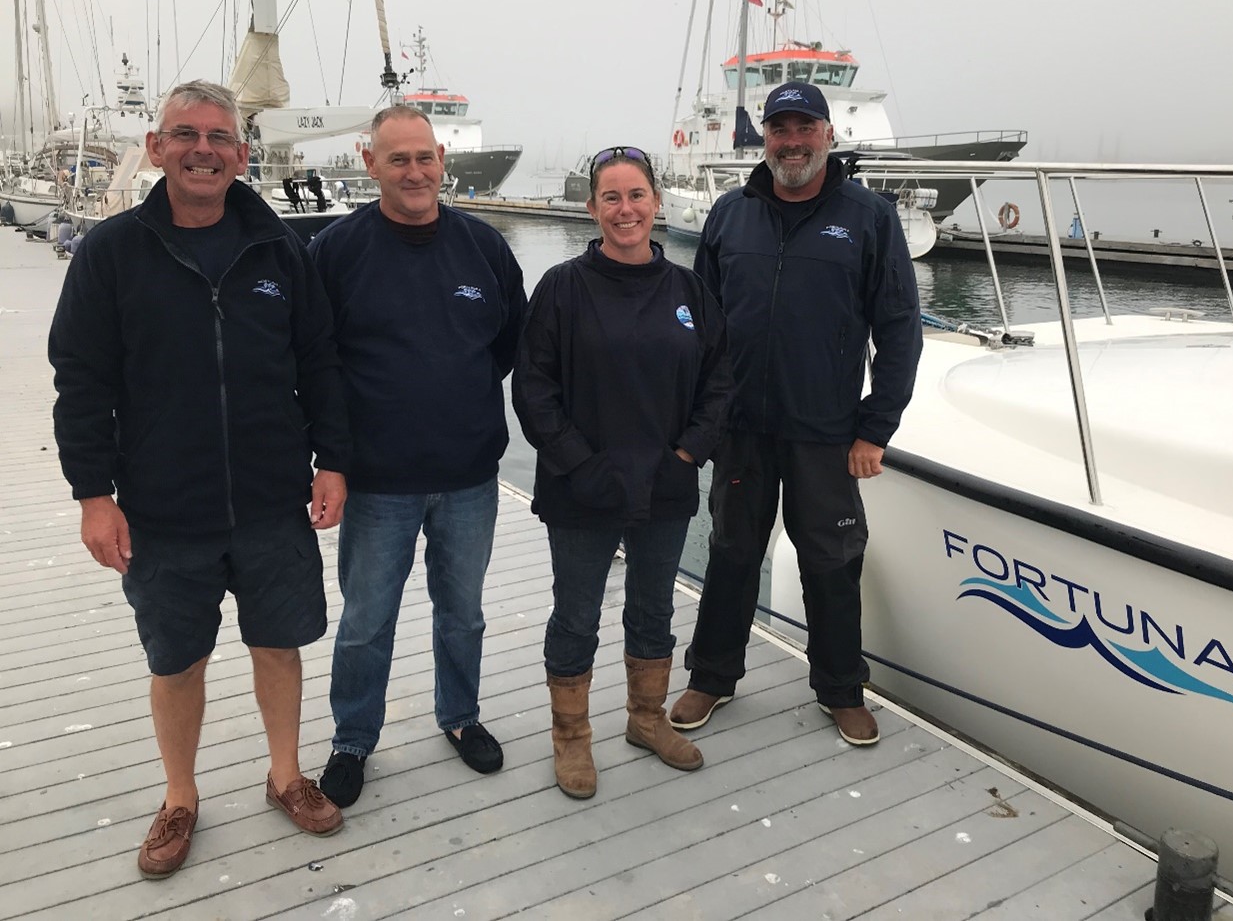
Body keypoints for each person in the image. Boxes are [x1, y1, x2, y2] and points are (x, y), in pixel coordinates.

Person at [48, 79, 352, 879]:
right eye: (184, 134)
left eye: (218, 137)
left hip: (270, 499)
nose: (202, 150)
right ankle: (179, 797)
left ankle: (285, 775)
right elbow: (80, 380)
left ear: (242, 156)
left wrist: (334, 461)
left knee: (277, 643)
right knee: (175, 660)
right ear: (156, 148)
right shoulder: (112, 252)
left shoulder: (281, 250)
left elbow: (318, 362)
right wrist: (93, 495)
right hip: (162, 506)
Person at [670, 82, 923, 746]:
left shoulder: (868, 218)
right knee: (730, 554)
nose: (791, 142)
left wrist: (876, 426)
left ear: (826, 135)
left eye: (803, 128)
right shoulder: (728, 214)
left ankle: (841, 688)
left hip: (826, 432)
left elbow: (900, 330)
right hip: (740, 429)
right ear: (766, 138)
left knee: (831, 564)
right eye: (779, 129)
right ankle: (711, 677)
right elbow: (700, 324)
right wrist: (700, 417)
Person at [307, 105, 526, 807]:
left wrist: (449, 394)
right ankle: (352, 737)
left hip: (467, 476)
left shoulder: (483, 248)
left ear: (441, 162)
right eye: (397, 159)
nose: (414, 172)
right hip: (376, 480)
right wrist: (330, 459)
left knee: (462, 613)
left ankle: (459, 717)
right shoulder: (337, 251)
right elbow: (316, 363)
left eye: (424, 157)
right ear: (369, 163)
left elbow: (508, 344)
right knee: (367, 620)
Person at [512, 146, 733, 798]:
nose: (625, 208)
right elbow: (533, 386)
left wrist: (690, 451)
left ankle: (645, 719)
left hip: (665, 482)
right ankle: (571, 739)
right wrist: (578, 464)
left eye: (635, 195)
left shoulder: (689, 290)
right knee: (576, 615)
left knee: (652, 608)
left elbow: (720, 380)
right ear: (591, 209)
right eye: (610, 197)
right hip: (581, 487)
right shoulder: (561, 288)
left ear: (656, 203)